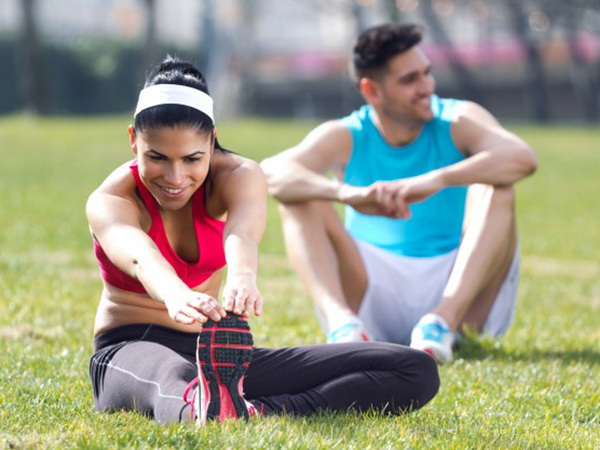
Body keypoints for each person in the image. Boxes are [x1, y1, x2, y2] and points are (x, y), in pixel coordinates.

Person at [87, 56, 440, 426]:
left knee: (412, 368)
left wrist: (242, 277)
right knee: (173, 377)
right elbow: (141, 257)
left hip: (210, 353)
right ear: (133, 141)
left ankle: (250, 410)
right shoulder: (111, 200)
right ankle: (202, 407)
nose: (175, 177)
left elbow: (242, 231)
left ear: (212, 141)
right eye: (157, 157)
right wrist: (176, 294)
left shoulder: (239, 175)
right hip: (130, 348)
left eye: (192, 158)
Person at [260, 23, 537, 364]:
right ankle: (343, 327)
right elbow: (271, 173)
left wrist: (435, 180)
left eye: (427, 73)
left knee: (497, 187)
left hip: (458, 293)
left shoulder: (458, 118)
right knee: (299, 195)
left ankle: (440, 325)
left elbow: (522, 157)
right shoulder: (348, 134)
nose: (426, 87)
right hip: (372, 288)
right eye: (410, 80)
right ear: (372, 91)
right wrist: (346, 193)